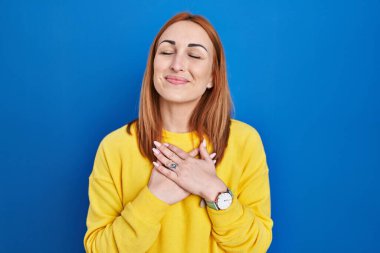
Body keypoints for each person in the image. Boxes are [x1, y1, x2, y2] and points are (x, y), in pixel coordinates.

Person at [84, 12, 273, 253]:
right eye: (166, 52)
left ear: (213, 78)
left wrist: (214, 191)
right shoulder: (115, 147)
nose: (177, 64)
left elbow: (255, 246)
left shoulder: (245, 141)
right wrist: (155, 197)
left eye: (194, 55)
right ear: (153, 66)